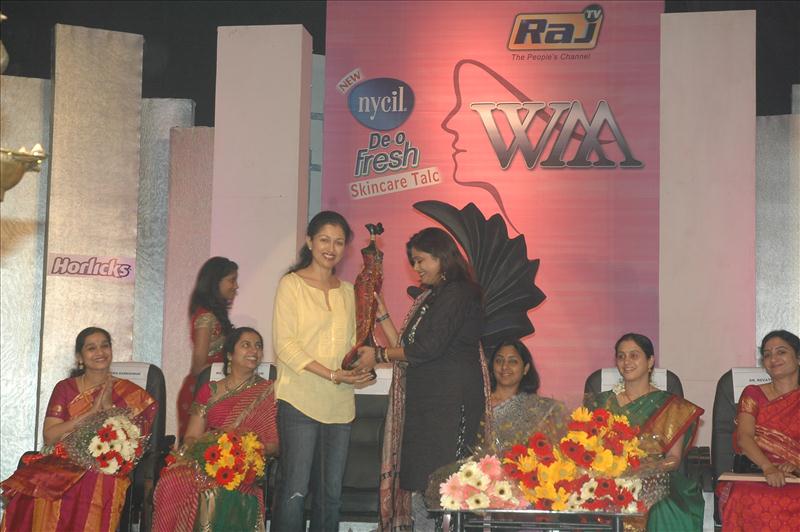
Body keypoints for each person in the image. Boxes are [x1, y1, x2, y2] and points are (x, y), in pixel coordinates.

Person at [357, 227, 486, 531]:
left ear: (442, 257)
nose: (416, 268)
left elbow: (427, 348)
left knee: (445, 487)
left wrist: (379, 355)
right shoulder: (433, 297)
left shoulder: (458, 292)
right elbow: (408, 347)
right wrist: (382, 315)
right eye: (413, 262)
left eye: (421, 260)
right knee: (423, 486)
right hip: (427, 408)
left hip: (449, 408)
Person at [271, 210, 374, 532]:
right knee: (294, 491)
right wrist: (331, 374)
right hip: (299, 401)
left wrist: (363, 360)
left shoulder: (348, 292)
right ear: (309, 242)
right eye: (324, 240)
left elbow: (354, 343)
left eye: (339, 242)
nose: (331, 248)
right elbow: (285, 346)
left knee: (331, 496)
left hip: (339, 405)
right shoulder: (291, 285)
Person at [1, 327, 157, 532]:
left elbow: (133, 442)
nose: (100, 352)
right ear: (79, 357)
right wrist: (91, 413)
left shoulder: (132, 393)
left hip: (106, 467)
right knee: (33, 491)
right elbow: (50, 436)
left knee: (95, 482)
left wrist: (108, 406)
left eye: (104, 346)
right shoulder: (65, 388)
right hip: (62, 461)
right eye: (91, 348)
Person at [152, 327, 279, 531]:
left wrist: (246, 451)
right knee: (171, 480)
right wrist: (205, 454)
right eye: (246, 345)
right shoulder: (209, 390)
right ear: (229, 354)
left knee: (217, 486)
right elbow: (192, 436)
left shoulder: (269, 391)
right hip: (208, 458)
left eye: (258, 346)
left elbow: (275, 444)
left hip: (244, 465)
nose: (254, 351)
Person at [587, 332, 704, 532]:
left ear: (650, 361)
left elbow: (674, 459)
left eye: (634, 355)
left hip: (655, 477)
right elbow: (588, 449)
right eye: (621, 356)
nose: (626, 362)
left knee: (660, 508)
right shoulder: (601, 403)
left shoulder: (671, 406)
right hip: (607, 476)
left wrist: (643, 469)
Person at [717, 329, 800, 531]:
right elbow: (744, 438)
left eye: (781, 352)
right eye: (767, 354)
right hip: (756, 472)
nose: (773, 359)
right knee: (743, 497)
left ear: (798, 358)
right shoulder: (753, 393)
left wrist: (796, 464)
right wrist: (768, 468)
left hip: (796, 475)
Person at [176, 256, 238, 440]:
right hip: (201, 393)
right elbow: (198, 367)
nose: (236, 286)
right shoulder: (206, 317)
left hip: (214, 391)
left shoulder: (215, 316)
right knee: (198, 451)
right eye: (232, 280)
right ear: (215, 282)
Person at [486, 339, 565, 452]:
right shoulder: (480, 403)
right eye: (499, 361)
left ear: (525, 368)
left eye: (512, 361)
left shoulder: (538, 409)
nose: (504, 367)